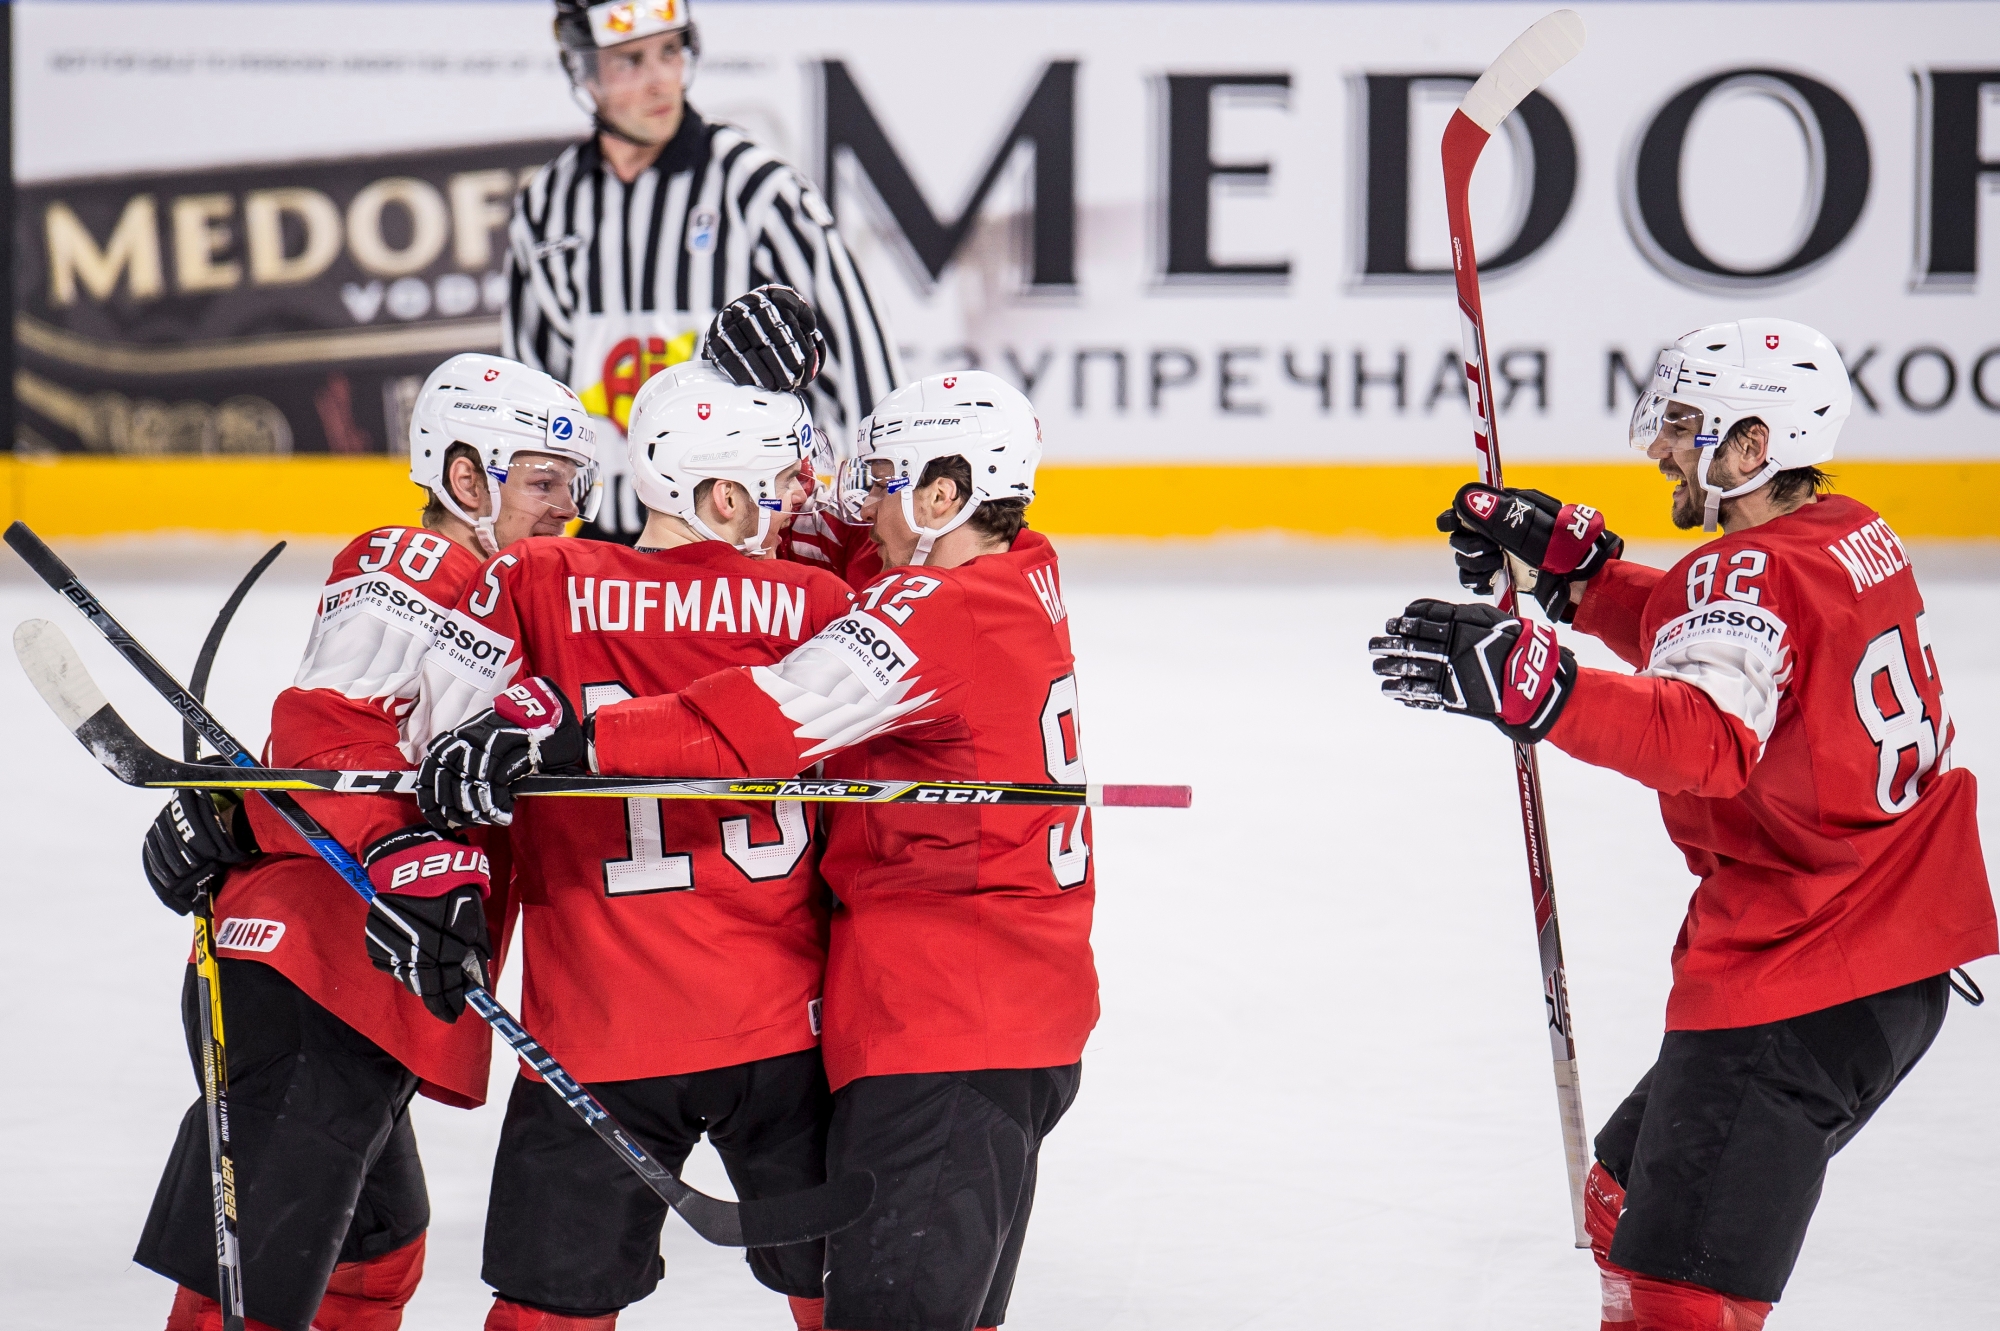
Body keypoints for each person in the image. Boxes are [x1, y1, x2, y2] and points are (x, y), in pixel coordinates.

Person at [418, 369, 1096, 1331]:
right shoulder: (1011, 570)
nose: (852, 509)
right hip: (921, 1014)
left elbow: (770, 714)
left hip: (935, 1016)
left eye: (888, 484)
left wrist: (566, 740)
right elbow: (827, 565)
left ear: (947, 495)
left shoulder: (542, 581)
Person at [1371, 319, 1996, 1331]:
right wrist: (1582, 583)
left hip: (1797, 979)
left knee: (1676, 1297)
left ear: (1752, 446)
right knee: (1625, 1201)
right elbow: (1738, 636)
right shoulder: (1846, 534)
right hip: (1886, 963)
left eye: (1682, 424)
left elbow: (1703, 735)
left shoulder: (1748, 575)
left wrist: (1541, 685)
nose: (1659, 446)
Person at [135, 353, 600, 1331]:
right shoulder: (416, 560)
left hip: (353, 976)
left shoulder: (506, 590)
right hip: (314, 971)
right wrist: (399, 855)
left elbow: (332, 756)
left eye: (574, 485)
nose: (566, 508)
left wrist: (235, 807)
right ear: (465, 476)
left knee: (378, 1248)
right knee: (249, 1288)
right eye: (543, 482)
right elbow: (326, 726)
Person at [408, 360, 857, 1331]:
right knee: (850, 1297)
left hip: (594, 1031)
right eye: (778, 489)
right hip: (780, 1028)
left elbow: (433, 754)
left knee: (547, 1313)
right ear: (725, 494)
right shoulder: (815, 605)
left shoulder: (535, 580)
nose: (792, 509)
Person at [509, 0, 902, 544]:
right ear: (584, 71)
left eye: (670, 51)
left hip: (742, 541)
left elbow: (865, 373)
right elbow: (530, 396)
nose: (660, 82)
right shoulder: (547, 207)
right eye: (630, 61)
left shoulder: (758, 190)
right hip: (604, 543)